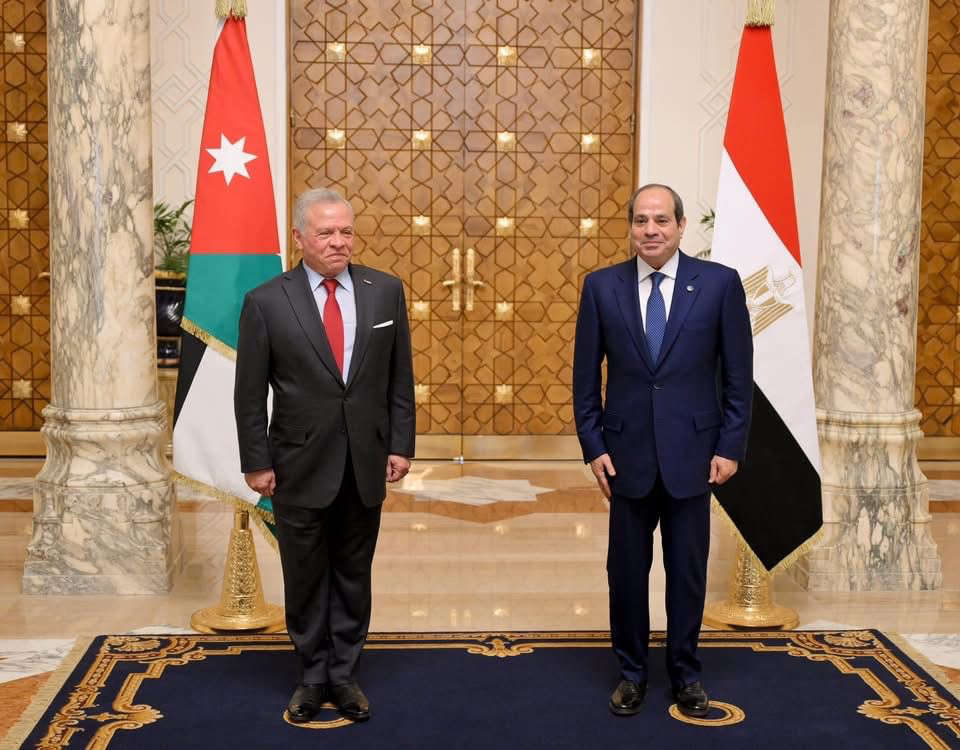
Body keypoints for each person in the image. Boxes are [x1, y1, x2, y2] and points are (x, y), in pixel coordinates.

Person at [234, 187, 415, 723]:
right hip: (297, 464)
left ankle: (345, 674)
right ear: (299, 238)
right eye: (325, 232)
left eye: (346, 231)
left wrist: (400, 444)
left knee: (354, 573)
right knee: (306, 575)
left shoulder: (385, 291)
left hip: (365, 461)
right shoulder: (267, 301)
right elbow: (249, 393)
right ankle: (312, 675)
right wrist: (257, 461)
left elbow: (399, 378)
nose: (339, 242)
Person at [572, 184, 752, 718]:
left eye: (661, 220)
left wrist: (730, 446)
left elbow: (738, 376)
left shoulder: (718, 284)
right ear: (630, 227)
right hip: (624, 456)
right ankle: (631, 674)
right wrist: (593, 446)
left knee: (687, 573)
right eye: (641, 221)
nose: (650, 230)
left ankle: (686, 674)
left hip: (695, 456)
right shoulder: (601, 287)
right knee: (626, 573)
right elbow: (585, 378)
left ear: (680, 226)